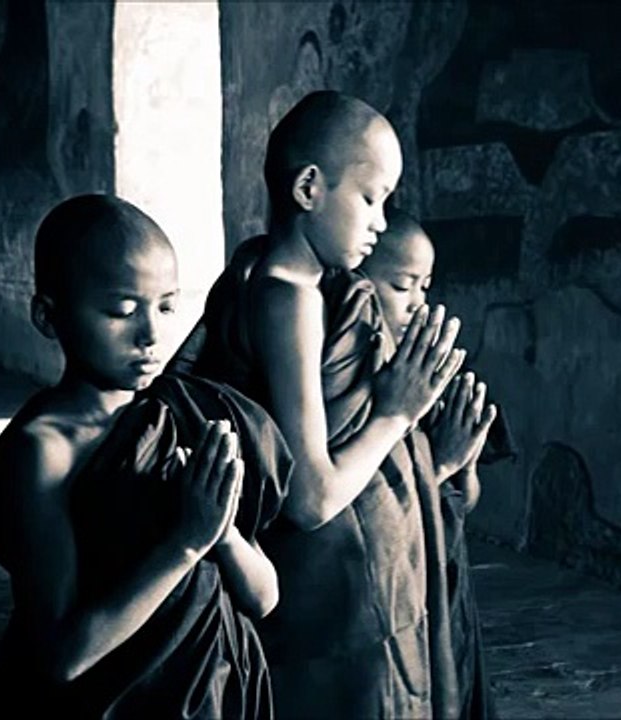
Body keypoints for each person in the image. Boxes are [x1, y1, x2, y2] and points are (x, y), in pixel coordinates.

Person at [170, 90, 469, 719]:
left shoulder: (261, 272)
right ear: (309, 187)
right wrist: (397, 411)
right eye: (371, 198)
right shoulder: (289, 297)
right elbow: (311, 498)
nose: (382, 222)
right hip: (328, 593)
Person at [0, 194, 287, 718]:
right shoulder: (42, 452)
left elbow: (262, 599)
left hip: (214, 692)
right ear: (48, 316)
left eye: (166, 306)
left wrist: (221, 531)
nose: (151, 335)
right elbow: (61, 657)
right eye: (122, 311)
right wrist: (185, 545)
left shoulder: (181, 419)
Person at [360, 207, 500, 719]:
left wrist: (462, 460)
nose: (419, 304)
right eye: (403, 286)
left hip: (446, 573)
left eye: (426, 287)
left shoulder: (430, 369)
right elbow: (365, 509)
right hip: (394, 585)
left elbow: (465, 500)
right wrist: (435, 468)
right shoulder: (354, 378)